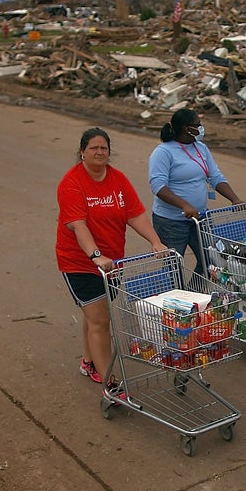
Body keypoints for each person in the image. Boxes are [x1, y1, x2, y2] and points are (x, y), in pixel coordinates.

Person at [56, 127, 165, 394]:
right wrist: (95, 256)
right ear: (82, 152)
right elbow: (78, 226)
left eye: (104, 148)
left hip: (112, 263)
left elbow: (135, 214)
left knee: (95, 315)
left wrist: (155, 241)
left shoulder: (118, 179)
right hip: (80, 263)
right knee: (101, 321)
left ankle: (88, 361)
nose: (99, 152)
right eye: (93, 148)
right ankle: (109, 383)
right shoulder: (72, 183)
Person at [148, 108, 243, 272]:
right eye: (198, 125)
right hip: (171, 222)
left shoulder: (201, 148)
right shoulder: (163, 152)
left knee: (212, 262)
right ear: (187, 128)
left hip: (200, 217)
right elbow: (158, 186)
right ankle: (178, 296)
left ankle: (195, 294)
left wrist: (234, 199)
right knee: (174, 268)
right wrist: (184, 205)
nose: (201, 128)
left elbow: (215, 176)